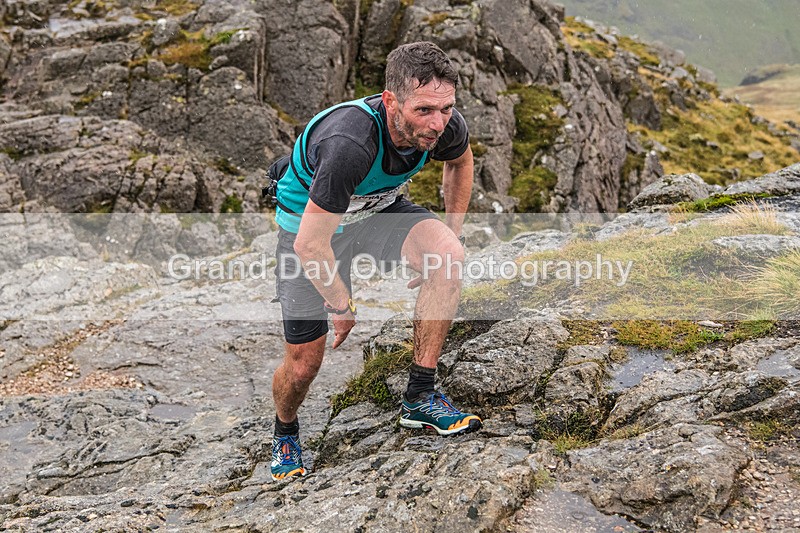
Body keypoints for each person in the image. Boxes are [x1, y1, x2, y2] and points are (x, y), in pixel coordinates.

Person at [270, 41, 481, 481]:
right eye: (424, 110)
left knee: (447, 257)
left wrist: (449, 236)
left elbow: (460, 164)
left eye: (446, 109)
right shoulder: (350, 141)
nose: (438, 123)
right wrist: (340, 305)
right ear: (391, 101)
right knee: (305, 362)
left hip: (373, 212)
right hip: (310, 228)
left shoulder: (444, 125)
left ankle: (420, 397)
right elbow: (310, 245)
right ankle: (284, 431)